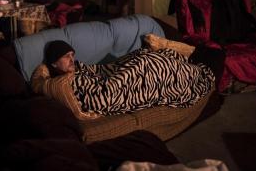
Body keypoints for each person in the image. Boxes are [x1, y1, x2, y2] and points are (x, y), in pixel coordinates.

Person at [43, 39, 225, 116]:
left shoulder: (80, 69)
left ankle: (193, 67)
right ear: (53, 63)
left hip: (137, 74)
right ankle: (198, 68)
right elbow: (103, 98)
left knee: (145, 56)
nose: (72, 59)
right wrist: (136, 67)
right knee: (146, 61)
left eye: (72, 55)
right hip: (132, 83)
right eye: (66, 56)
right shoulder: (64, 82)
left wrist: (133, 63)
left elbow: (104, 70)